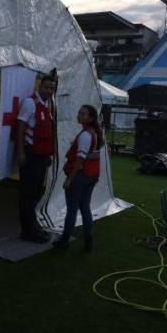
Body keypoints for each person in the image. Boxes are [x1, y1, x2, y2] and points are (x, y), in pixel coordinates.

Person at [53, 105, 103, 251]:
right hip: (91, 175)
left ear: (90, 118)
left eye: (83, 114)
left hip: (81, 176)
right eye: (79, 113)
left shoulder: (85, 135)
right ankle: (88, 240)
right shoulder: (93, 133)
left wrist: (69, 179)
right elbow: (91, 154)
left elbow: (80, 159)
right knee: (85, 208)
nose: (79, 115)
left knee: (72, 210)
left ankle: (64, 241)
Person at [15, 74, 56, 243]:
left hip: (41, 157)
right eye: (46, 87)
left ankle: (33, 225)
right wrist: (21, 152)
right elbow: (20, 126)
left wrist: (49, 155)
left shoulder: (46, 106)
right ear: (40, 86)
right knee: (27, 194)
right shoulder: (30, 103)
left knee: (35, 193)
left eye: (52, 89)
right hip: (30, 155)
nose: (49, 91)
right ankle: (27, 231)